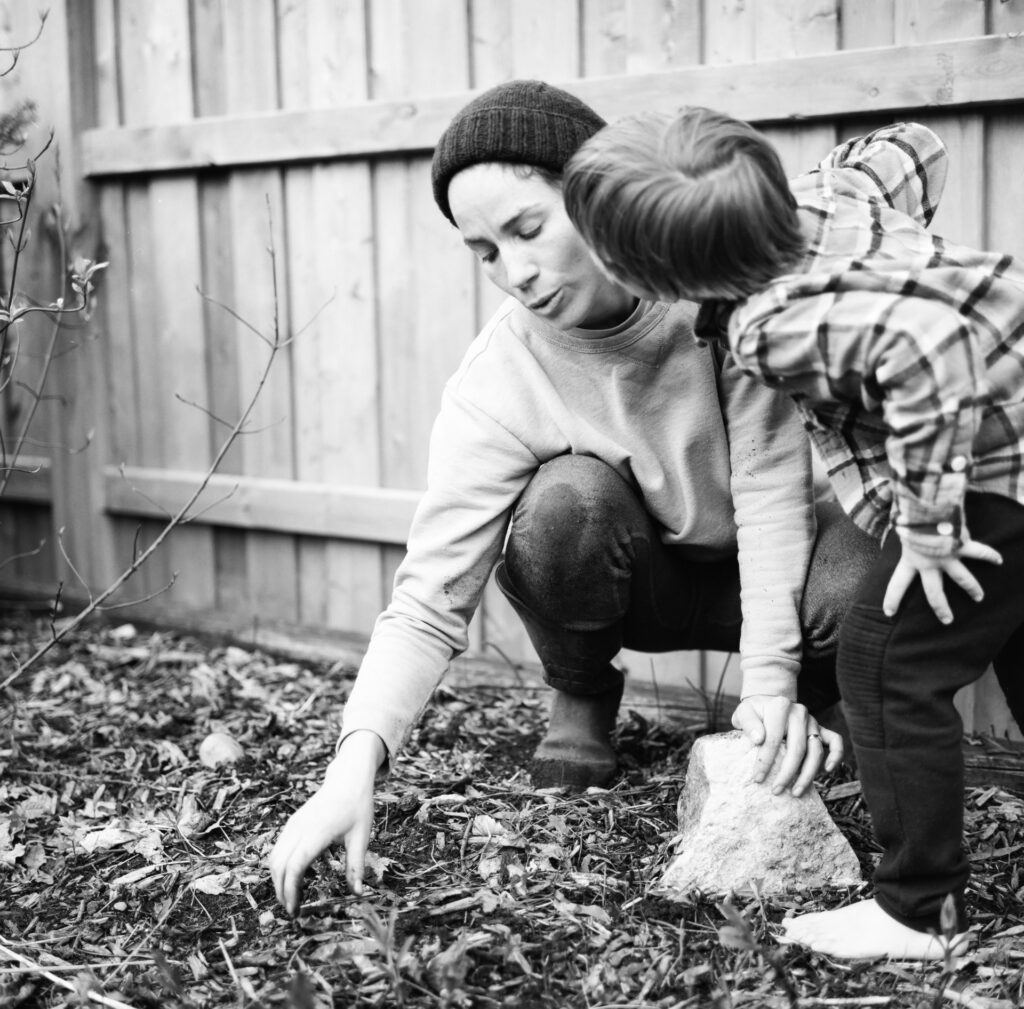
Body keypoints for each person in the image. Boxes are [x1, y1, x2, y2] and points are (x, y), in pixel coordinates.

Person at [268, 82, 878, 918]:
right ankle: (584, 693)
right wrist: (353, 766)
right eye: (483, 250)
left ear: (596, 200)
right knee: (563, 504)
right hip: (643, 583)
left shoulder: (711, 287)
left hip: (773, 572)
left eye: (527, 229)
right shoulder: (499, 378)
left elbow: (774, 494)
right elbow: (429, 598)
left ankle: (804, 707)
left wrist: (766, 689)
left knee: (868, 558)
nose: (514, 273)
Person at [562, 107, 1024, 960]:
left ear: (655, 276)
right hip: (1013, 438)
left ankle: (919, 910)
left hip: (991, 477)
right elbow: (915, 146)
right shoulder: (834, 193)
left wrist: (927, 528)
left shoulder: (775, 322)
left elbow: (929, 345)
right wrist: (897, 254)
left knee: (886, 661)